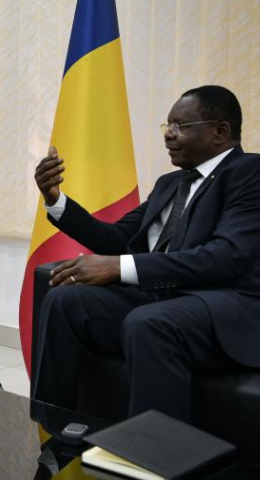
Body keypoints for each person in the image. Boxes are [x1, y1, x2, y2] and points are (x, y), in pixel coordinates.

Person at [30, 85, 260, 423]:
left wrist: (121, 268)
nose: (169, 135)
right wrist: (55, 200)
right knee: (65, 301)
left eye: (181, 127)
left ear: (220, 132)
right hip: (161, 296)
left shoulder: (247, 173)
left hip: (218, 304)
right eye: (167, 126)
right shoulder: (170, 184)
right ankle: (51, 429)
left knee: (150, 323)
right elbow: (118, 239)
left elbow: (227, 256)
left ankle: (153, 458)